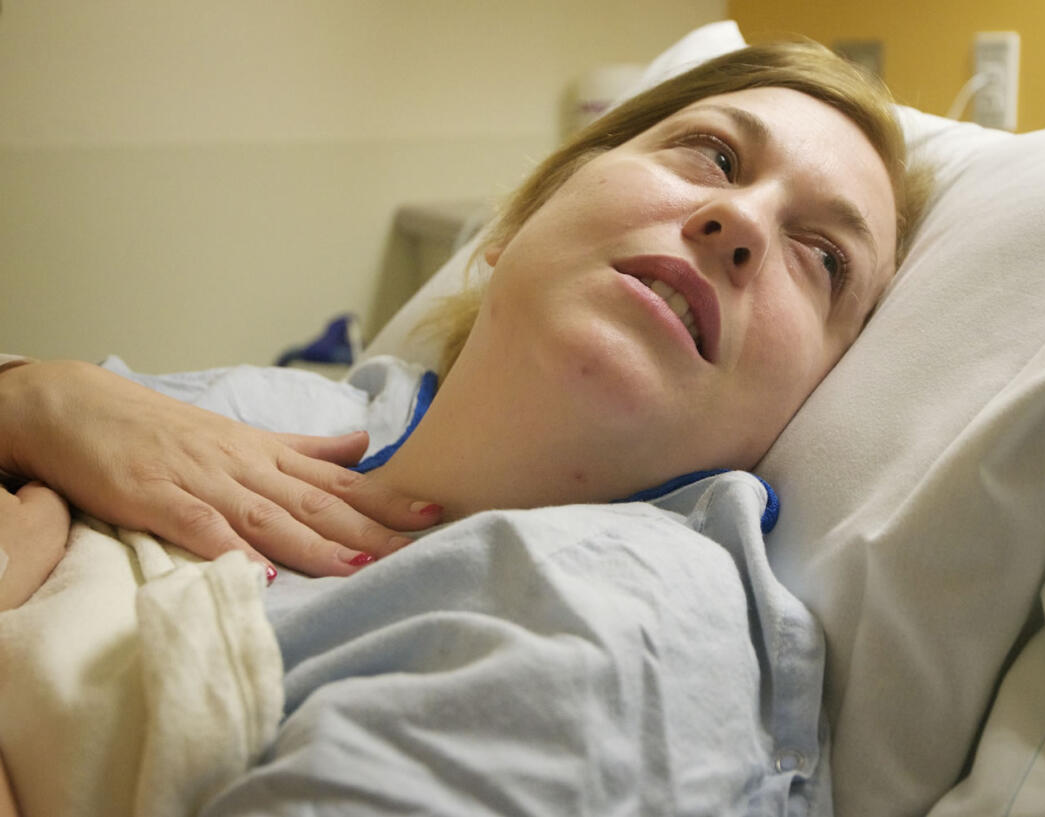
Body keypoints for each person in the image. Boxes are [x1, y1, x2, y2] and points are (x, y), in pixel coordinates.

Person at [0, 41, 931, 816]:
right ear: (520, 222)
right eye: (714, 155)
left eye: (821, 258)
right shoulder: (298, 410)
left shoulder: (630, 621)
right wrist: (39, 397)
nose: (740, 220)